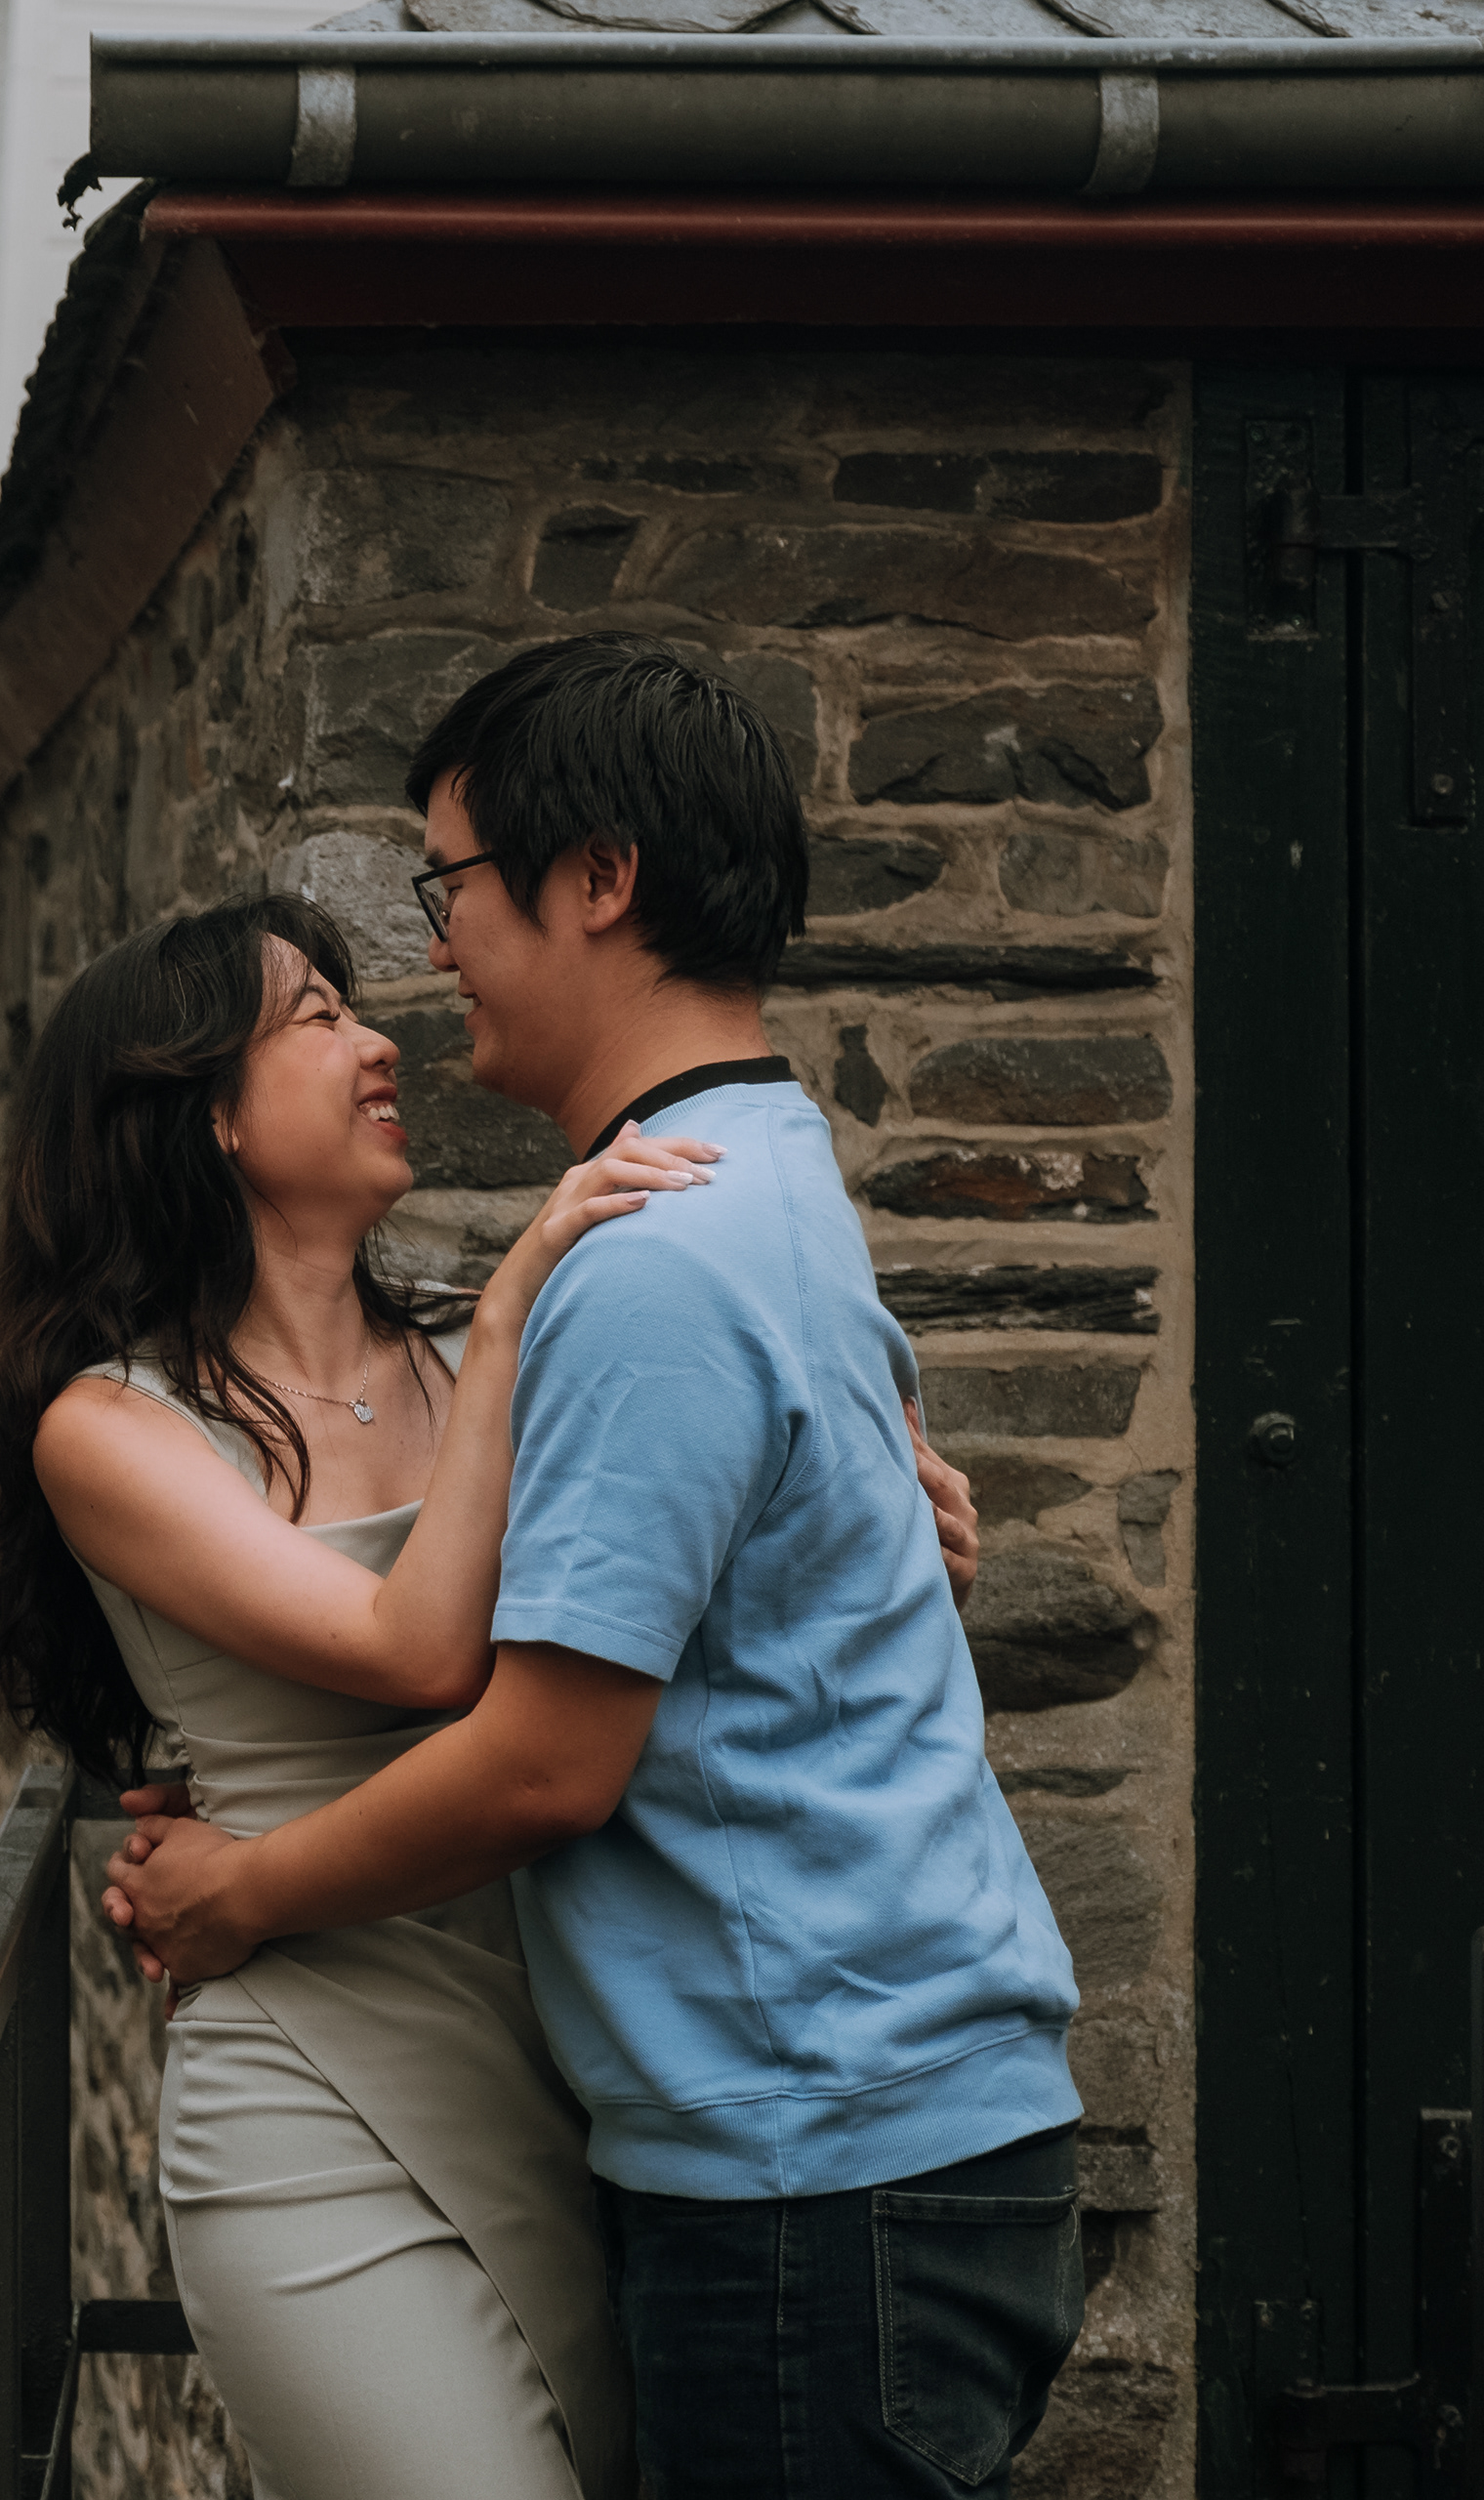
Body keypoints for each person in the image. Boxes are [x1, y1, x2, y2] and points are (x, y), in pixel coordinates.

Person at [98, 634, 1085, 2500]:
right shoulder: (771, 1169)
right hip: (882, 2140)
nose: (433, 944)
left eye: (450, 882)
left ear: (599, 879)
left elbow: (552, 1760)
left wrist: (242, 1894)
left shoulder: (645, 1261)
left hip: (820, 2163)